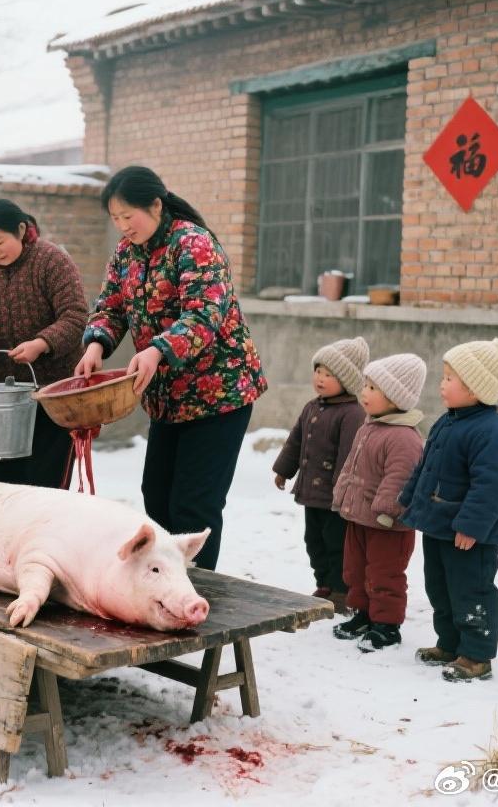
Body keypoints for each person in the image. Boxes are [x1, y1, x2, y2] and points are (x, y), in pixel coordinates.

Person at [75, 165, 267, 571]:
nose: (123, 226)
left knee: (194, 506)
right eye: (116, 219)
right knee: (157, 497)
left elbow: (205, 313)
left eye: (129, 216)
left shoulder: (193, 244)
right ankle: (162, 589)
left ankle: (194, 597)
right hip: (168, 399)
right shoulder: (126, 255)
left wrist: (158, 349)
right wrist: (96, 343)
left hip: (220, 395)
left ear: (156, 205)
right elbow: (110, 307)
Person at [400, 338, 498, 682]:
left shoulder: (490, 432)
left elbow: (491, 487)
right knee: (440, 588)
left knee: (471, 590)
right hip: (438, 526)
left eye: (450, 378)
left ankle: (476, 655)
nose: (442, 383)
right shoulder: (449, 421)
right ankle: (450, 643)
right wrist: (410, 499)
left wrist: (471, 527)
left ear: (476, 388)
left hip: (468, 535)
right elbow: (426, 467)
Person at [0, 199, 87, 488]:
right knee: (7, 486)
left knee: (47, 485)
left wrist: (42, 343)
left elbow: (75, 316)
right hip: (4, 397)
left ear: (21, 230)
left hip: (53, 394)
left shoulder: (52, 261)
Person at [331, 353, 426, 652]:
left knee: (384, 575)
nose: (364, 393)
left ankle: (386, 625)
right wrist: (342, 497)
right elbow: (351, 467)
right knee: (355, 570)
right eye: (366, 386)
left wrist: (388, 511)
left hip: (388, 525)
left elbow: (401, 476)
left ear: (395, 397)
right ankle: (363, 614)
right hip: (361, 517)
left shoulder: (403, 437)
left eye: (373, 389)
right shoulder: (369, 427)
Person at [272, 337, 370, 613]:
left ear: (348, 380)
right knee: (313, 541)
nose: (320, 379)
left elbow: (348, 457)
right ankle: (323, 583)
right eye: (318, 371)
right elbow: (296, 440)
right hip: (311, 494)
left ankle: (341, 589)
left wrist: (342, 491)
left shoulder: (351, 413)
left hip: (336, 500)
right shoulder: (312, 407)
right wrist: (284, 469)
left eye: (329, 374)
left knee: (336, 544)